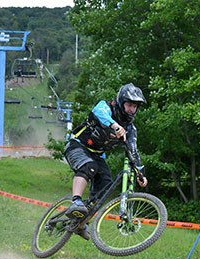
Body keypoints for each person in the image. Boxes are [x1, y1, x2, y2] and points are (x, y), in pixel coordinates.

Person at [63, 83, 148, 239]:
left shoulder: (130, 129)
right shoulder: (105, 107)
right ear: (121, 102)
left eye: (135, 107)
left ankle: (81, 223)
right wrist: (114, 125)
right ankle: (76, 201)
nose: (131, 110)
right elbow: (98, 112)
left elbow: (133, 151)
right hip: (77, 146)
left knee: (105, 186)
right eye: (129, 105)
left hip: (97, 154)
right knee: (89, 166)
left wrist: (140, 172)